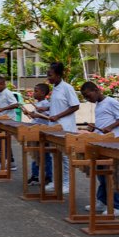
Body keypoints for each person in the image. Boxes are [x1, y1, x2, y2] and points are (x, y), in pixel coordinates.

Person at [80, 81, 119, 216]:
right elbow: (104, 120)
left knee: (111, 175)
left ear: (96, 90)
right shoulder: (98, 104)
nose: (88, 99)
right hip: (101, 142)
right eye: (85, 98)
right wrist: (94, 126)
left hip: (112, 142)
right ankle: (102, 201)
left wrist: (111, 127)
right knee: (102, 176)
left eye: (88, 96)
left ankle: (116, 207)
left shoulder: (111, 102)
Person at [40, 62, 79, 195]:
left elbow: (75, 106)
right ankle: (57, 182)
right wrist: (45, 109)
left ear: (58, 75)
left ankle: (68, 183)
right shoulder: (55, 88)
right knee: (56, 155)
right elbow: (57, 105)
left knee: (66, 158)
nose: (48, 78)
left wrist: (57, 116)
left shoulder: (67, 88)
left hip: (66, 128)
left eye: (50, 75)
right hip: (54, 128)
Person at [25, 83, 53, 188]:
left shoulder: (46, 104)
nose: (33, 93)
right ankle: (35, 175)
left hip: (43, 132)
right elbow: (37, 115)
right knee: (35, 154)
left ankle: (48, 176)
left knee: (45, 155)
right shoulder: (38, 103)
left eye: (36, 91)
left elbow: (48, 117)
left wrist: (35, 115)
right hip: (35, 131)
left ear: (43, 93)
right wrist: (30, 113)